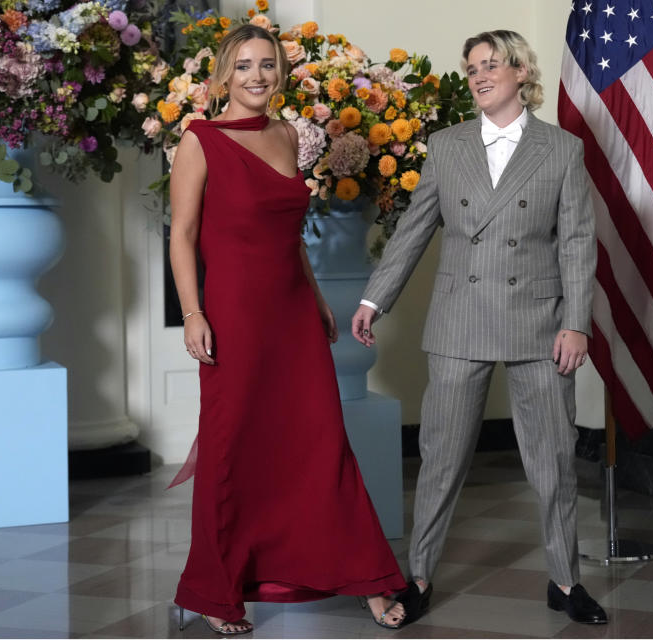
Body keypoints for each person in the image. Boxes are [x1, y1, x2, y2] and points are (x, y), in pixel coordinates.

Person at [351, 30, 607, 626]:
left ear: (521, 72)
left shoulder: (562, 149)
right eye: (471, 68)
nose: (479, 76)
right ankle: (418, 576)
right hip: (460, 319)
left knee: (553, 460)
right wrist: (374, 299)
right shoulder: (446, 146)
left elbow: (576, 243)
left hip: (540, 324)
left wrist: (577, 324)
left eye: (491, 65)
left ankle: (566, 581)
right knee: (440, 458)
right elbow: (415, 229)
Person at [167, 24, 407, 635]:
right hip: (234, 316)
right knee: (233, 446)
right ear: (224, 75)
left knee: (321, 443)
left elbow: (289, 232)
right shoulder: (199, 140)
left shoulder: (286, 134)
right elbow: (183, 237)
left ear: (280, 72)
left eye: (267, 65)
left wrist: (318, 297)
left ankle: (367, 576)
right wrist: (194, 314)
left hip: (294, 311)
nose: (257, 77)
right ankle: (219, 591)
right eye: (244, 66)